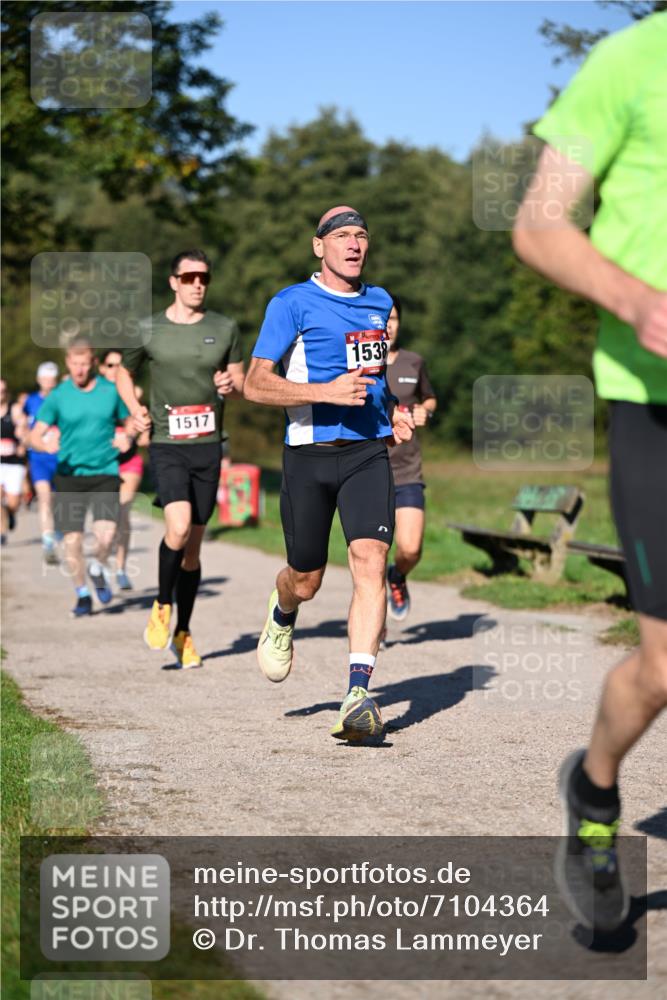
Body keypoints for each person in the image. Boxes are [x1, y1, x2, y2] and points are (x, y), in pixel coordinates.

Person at [513, 10, 667, 932]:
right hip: (654, 402)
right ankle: (596, 795)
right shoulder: (630, 59)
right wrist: (635, 298)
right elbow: (538, 225)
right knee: (661, 668)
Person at [244, 205, 414, 743]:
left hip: (366, 453)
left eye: (361, 235)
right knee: (307, 577)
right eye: (341, 236)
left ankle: (358, 692)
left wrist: (394, 413)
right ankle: (282, 609)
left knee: (371, 562)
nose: (353, 244)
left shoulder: (380, 302)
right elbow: (254, 384)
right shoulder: (291, 303)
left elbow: (372, 377)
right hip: (309, 455)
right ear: (319, 246)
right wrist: (321, 392)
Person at [117, 249, 245, 668]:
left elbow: (240, 380)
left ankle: (184, 632)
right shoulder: (148, 329)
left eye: (203, 278)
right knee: (177, 525)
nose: (197, 284)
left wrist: (230, 382)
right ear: (173, 282)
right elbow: (123, 371)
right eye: (188, 277)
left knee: (192, 550)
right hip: (168, 443)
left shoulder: (224, 328)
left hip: (208, 445)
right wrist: (133, 410)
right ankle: (160, 603)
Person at [30, 339, 130, 617]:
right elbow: (33, 435)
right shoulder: (58, 396)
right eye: (74, 364)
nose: (79, 369)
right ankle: (82, 594)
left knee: (106, 536)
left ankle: (98, 567)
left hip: (104, 472)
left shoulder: (110, 392)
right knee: (72, 540)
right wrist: (43, 444)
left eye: (84, 363)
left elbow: (130, 420)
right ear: (67, 364)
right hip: (69, 476)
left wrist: (127, 436)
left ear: (93, 363)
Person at [384, 294, 437, 621]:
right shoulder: (356, 364)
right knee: (371, 556)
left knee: (410, 549)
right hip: (367, 470)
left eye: (393, 319)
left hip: (407, 471)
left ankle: (398, 576)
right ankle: (374, 624)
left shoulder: (413, 362)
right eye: (382, 319)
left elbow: (429, 399)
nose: (388, 325)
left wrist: (424, 412)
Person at [98, 349, 149, 590]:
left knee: (122, 513)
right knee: (105, 521)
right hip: (99, 465)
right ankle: (100, 564)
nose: (114, 370)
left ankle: (120, 568)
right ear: (100, 368)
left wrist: (134, 433)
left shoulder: (133, 394)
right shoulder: (92, 394)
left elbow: (141, 425)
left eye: (119, 365)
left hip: (128, 462)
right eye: (109, 365)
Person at [23, 361, 61, 563]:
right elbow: (24, 427)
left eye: (52, 379)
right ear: (39, 380)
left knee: (57, 500)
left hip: (62, 458)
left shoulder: (63, 399)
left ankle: (58, 527)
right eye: (45, 379)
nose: (48, 383)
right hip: (39, 459)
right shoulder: (30, 401)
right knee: (45, 498)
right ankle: (48, 542)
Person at [0, 378, 28, 546]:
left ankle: (11, 514)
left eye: (2, 391)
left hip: (14, 463)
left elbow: (24, 429)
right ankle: (1, 532)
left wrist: (22, 441)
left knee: (13, 502)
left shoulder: (15, 409)